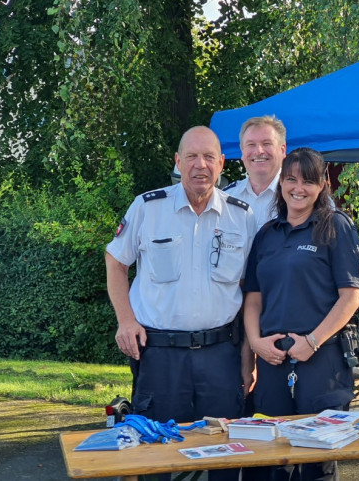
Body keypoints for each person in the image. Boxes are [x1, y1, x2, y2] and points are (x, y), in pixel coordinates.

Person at [105, 125, 256, 481]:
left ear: (221, 164)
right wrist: (126, 321)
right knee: (155, 457)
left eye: (208, 157)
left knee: (225, 455)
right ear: (178, 161)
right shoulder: (147, 207)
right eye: (191, 156)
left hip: (222, 354)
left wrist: (249, 357)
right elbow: (115, 262)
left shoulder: (243, 216)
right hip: (160, 356)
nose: (199, 165)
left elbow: (252, 290)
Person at [243, 147, 359, 481]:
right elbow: (253, 298)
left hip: (322, 360)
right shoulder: (266, 234)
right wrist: (256, 343)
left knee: (317, 461)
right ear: (281, 182)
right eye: (291, 179)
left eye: (308, 181)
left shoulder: (335, 227)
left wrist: (312, 341)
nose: (299, 188)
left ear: (322, 184)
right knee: (271, 460)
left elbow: (351, 297)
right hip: (272, 360)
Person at [223, 115, 287, 231]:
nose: (258, 151)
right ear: (242, 151)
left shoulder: (303, 196)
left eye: (266, 143)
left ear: (282, 150)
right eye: (251, 144)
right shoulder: (226, 198)